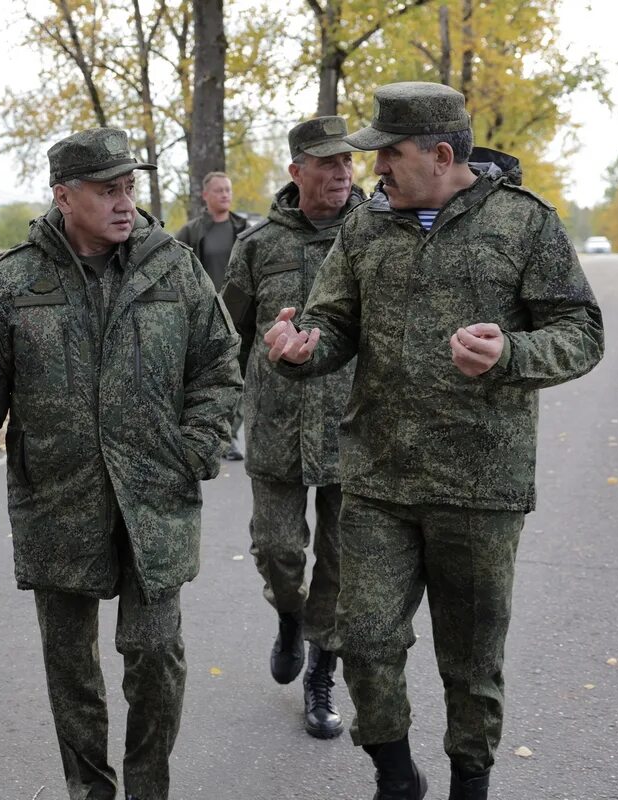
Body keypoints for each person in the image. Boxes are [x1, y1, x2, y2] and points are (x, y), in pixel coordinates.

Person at [264, 82, 604, 800]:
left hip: (480, 486)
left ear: (442, 154)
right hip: (380, 477)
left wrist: (512, 354)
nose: (374, 169)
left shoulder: (523, 224)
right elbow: (333, 324)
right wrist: (300, 348)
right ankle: (394, 775)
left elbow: (581, 331)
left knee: (471, 661)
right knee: (367, 642)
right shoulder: (364, 229)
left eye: (389, 154)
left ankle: (469, 784)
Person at [0, 127, 240, 800]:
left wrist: (198, 445)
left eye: (130, 187)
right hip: (59, 498)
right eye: (108, 190)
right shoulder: (13, 281)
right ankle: (89, 790)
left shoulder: (171, 266)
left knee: (157, 654)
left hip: (155, 497)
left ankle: (147, 788)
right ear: (64, 196)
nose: (124, 202)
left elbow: (220, 365)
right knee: (71, 667)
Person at [221, 115, 363, 740]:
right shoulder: (258, 245)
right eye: (328, 163)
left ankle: (320, 678)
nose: (342, 173)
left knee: (338, 562)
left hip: (352, 430)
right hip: (275, 425)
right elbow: (228, 337)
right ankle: (288, 613)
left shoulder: (374, 234)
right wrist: (219, 411)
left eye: (349, 163)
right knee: (279, 551)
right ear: (296, 171)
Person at [177, 172, 248, 461]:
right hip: (205, 317)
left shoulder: (243, 229)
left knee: (239, 378)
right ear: (205, 196)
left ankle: (230, 436)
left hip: (240, 315)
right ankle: (205, 434)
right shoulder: (192, 232)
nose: (224, 195)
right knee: (205, 379)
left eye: (228, 190)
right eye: (218, 190)